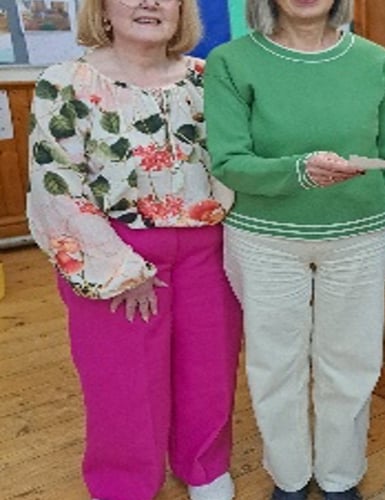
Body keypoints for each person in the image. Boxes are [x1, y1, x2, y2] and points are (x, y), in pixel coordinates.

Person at [203, 1, 385, 498]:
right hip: (263, 239)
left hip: (359, 238)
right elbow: (228, 161)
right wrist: (298, 171)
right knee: (276, 365)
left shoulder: (376, 63)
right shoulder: (231, 62)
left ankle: (340, 478)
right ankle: (289, 478)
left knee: (351, 363)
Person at [26, 1, 242, 499]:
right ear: (102, 9)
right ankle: (124, 484)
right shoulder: (64, 83)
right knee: (123, 383)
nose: (150, 2)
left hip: (208, 248)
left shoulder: (210, 79)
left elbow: (237, 162)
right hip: (111, 248)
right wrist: (119, 268)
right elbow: (55, 184)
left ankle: (205, 467)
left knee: (209, 370)